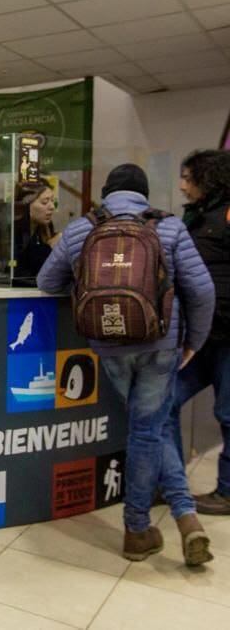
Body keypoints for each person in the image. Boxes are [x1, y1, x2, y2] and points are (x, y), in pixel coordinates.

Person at [37, 163, 216, 566]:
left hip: (109, 346)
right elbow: (202, 290)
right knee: (147, 430)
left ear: (105, 192)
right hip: (161, 343)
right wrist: (194, 342)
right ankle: (144, 526)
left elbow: (47, 282)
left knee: (145, 428)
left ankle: (176, 520)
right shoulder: (168, 227)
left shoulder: (84, 227)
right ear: (145, 194)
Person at [166, 149, 230, 515]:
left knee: (228, 413)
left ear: (209, 178)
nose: (182, 185)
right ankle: (171, 481)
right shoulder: (195, 218)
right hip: (202, 334)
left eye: (188, 178)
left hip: (227, 335)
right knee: (166, 400)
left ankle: (228, 491)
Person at [12, 180, 58, 286]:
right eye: (45, 202)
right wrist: (50, 247)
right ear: (27, 205)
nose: (52, 207)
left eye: (52, 201)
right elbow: (20, 272)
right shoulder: (15, 232)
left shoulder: (46, 228)